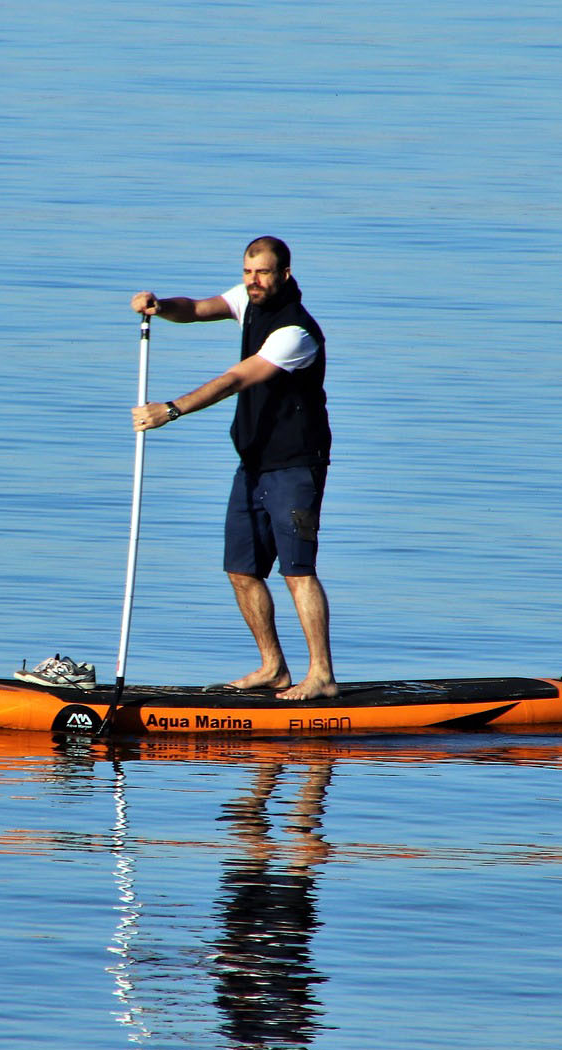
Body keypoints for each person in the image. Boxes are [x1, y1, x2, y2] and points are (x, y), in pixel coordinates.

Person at [130, 236, 338, 701]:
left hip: (296, 466)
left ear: (285, 273)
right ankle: (273, 669)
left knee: (297, 571)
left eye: (263, 273)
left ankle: (321, 674)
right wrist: (161, 306)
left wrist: (172, 409)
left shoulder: (296, 333)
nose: (253, 281)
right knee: (242, 571)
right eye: (248, 272)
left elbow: (235, 379)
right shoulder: (248, 299)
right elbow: (198, 308)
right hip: (252, 463)